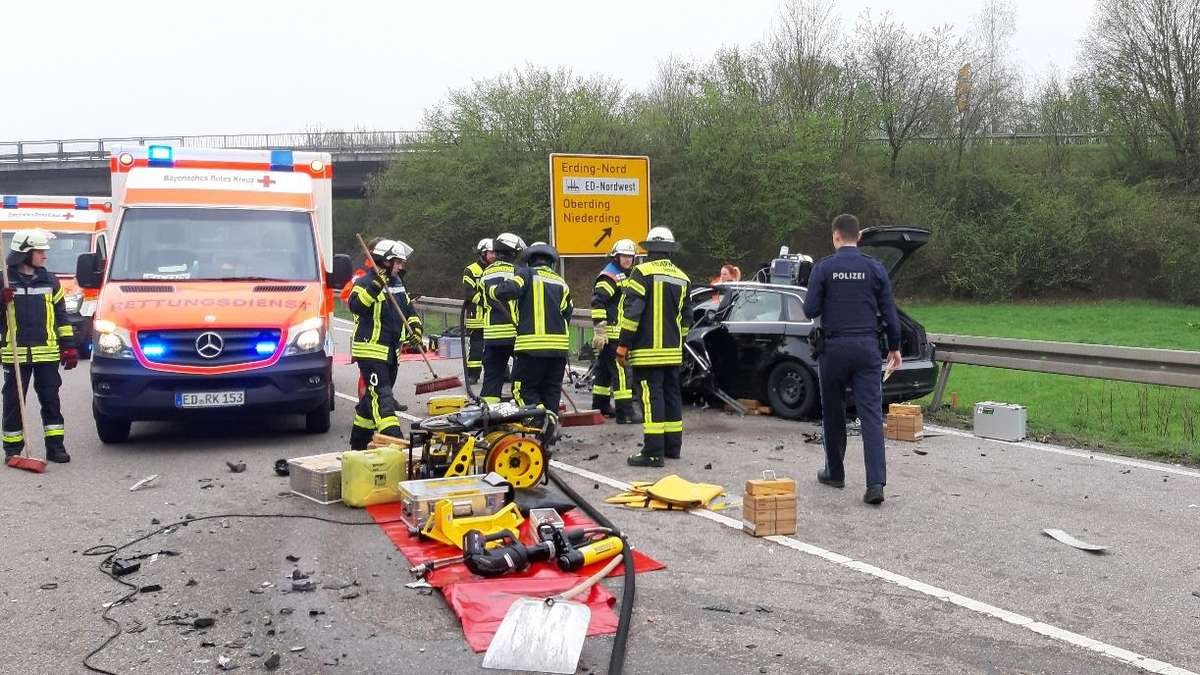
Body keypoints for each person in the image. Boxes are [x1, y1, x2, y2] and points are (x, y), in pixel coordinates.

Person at [801, 213, 902, 506]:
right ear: (858, 237)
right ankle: (875, 484)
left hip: (833, 349)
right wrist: (894, 347)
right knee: (870, 414)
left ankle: (835, 472)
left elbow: (809, 309)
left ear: (835, 236)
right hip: (867, 348)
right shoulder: (875, 268)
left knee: (833, 412)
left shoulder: (824, 268)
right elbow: (890, 312)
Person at [617, 227, 692, 467]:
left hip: (647, 352)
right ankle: (673, 448)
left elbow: (632, 313)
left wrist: (623, 344)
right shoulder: (682, 277)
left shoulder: (642, 272)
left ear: (649, 249)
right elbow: (687, 321)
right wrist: (677, 343)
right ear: (670, 250)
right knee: (672, 397)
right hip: (672, 352)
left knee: (651, 399)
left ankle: (652, 452)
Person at [1, 230, 76, 464]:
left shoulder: (51, 281)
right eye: (40, 251)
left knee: (51, 401)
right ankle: (12, 450)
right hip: (15, 353)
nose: (44, 256)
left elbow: (62, 316)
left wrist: (69, 346)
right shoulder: (4, 280)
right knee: (14, 403)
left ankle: (55, 448)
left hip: (47, 353)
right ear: (25, 253)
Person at [346, 239, 421, 450]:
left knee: (371, 402)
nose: (401, 267)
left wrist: (415, 330)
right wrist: (376, 286)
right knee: (383, 399)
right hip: (370, 350)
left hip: (390, 353)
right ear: (386, 261)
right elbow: (356, 306)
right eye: (398, 263)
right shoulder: (363, 283)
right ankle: (397, 444)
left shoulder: (398, 284)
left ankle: (358, 446)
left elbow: (409, 313)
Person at [492, 243, 572, 420]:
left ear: (530, 261)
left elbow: (508, 290)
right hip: (558, 352)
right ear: (551, 263)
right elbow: (567, 313)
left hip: (531, 349)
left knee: (522, 390)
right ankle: (548, 435)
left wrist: (492, 291)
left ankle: (538, 423)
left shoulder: (526, 274)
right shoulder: (561, 281)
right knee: (551, 393)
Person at [590, 238, 638, 423]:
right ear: (616, 257)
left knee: (603, 371)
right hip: (612, 334)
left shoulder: (623, 275)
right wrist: (600, 330)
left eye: (630, 257)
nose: (627, 260)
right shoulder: (610, 275)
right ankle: (625, 413)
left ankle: (600, 406)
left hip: (613, 334)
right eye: (624, 256)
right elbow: (598, 301)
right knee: (622, 373)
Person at [479, 232, 525, 403]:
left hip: (492, 335)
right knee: (522, 375)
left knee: (492, 378)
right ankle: (521, 409)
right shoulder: (517, 272)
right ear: (512, 253)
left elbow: (483, 301)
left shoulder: (485, 273)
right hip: (514, 332)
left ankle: (489, 414)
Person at [462, 238, 494, 384]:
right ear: (483, 253)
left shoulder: (497, 269)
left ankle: (503, 372)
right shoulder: (470, 270)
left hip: (494, 317)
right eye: (491, 253)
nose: (494, 256)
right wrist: (488, 301)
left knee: (497, 347)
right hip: (477, 317)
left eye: (496, 253)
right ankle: (473, 375)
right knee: (476, 348)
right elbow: (469, 292)